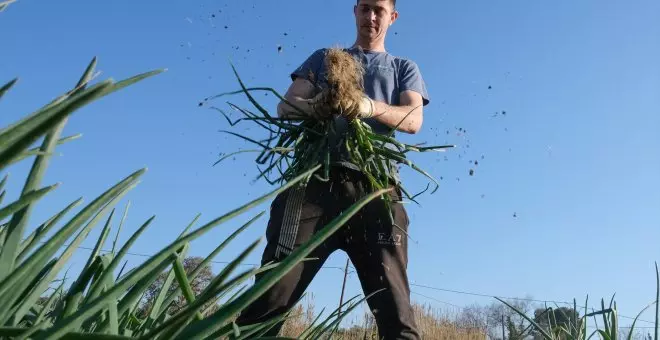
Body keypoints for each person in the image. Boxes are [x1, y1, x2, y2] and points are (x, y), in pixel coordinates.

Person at [235, 0, 429, 338]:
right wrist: (319, 105)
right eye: (365, 8)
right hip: (314, 184)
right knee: (269, 299)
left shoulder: (402, 67)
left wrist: (369, 107)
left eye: (379, 10)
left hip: (377, 190)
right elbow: (287, 105)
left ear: (392, 17)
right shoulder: (326, 59)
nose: (371, 16)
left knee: (397, 315)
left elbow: (413, 119)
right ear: (354, 11)